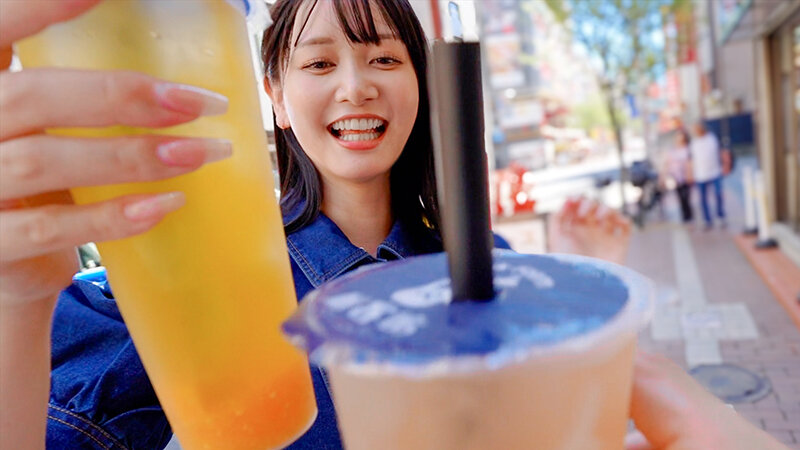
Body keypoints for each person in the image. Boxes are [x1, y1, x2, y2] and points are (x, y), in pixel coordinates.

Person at [0, 1, 786, 449]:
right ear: (274, 96)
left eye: (383, 58)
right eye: (318, 63)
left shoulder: (486, 262)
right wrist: (18, 302)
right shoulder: (193, 295)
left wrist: (580, 282)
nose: (355, 87)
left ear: (423, 82)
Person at [690, 121, 727, 230]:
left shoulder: (712, 139)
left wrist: (724, 165)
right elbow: (692, 159)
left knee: (718, 194)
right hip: (700, 174)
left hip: (714, 172)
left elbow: (719, 153)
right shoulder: (694, 143)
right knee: (703, 199)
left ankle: (720, 215)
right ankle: (707, 219)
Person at [663, 128, 694, 223]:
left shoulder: (688, 149)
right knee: (680, 196)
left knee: (686, 196)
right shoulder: (672, 150)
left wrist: (690, 174)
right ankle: (685, 216)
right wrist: (665, 175)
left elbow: (690, 162)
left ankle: (689, 215)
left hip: (686, 176)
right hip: (675, 177)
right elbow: (667, 162)